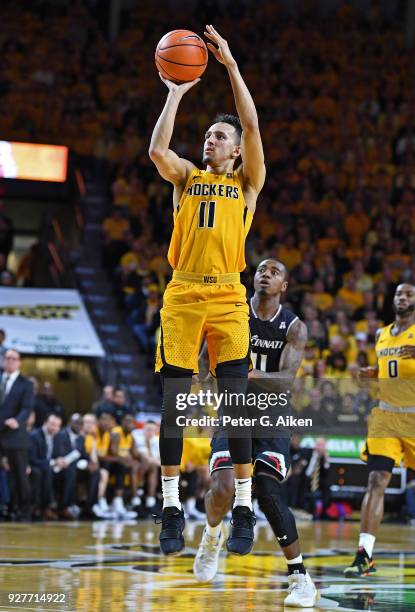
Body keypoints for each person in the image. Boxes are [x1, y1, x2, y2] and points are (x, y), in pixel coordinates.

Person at [149, 24, 265, 555]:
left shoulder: (247, 184)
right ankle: (170, 505)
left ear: (237, 152)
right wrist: (175, 93)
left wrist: (232, 68)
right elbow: (157, 149)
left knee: (235, 404)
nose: (210, 139)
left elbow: (250, 122)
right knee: (175, 403)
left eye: (219, 137)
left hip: (226, 297)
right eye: (208, 136)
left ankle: (245, 505)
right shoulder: (186, 179)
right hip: (183, 294)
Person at [193, 259, 317, 607]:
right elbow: (204, 362)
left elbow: (285, 382)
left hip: (272, 417)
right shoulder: (232, 315)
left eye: (275, 272)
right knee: (223, 488)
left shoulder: (293, 327)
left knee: (268, 492)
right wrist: (209, 386)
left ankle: (300, 577)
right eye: (262, 269)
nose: (266, 274)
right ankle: (212, 535)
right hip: (232, 410)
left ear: (284, 286)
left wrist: (243, 376)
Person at [344, 283, 415, 577]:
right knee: (376, 481)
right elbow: (388, 369)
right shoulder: (381, 335)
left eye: (409, 294)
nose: (403, 297)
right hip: (385, 417)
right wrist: (371, 374)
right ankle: (365, 555)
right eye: (399, 293)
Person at [0, 349, 34, 520]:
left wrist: (18, 420)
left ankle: (24, 511)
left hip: (14, 435)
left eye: (14, 359)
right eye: (7, 358)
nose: (10, 361)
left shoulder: (26, 384)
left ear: (19, 362)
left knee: (20, 476)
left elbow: (27, 408)